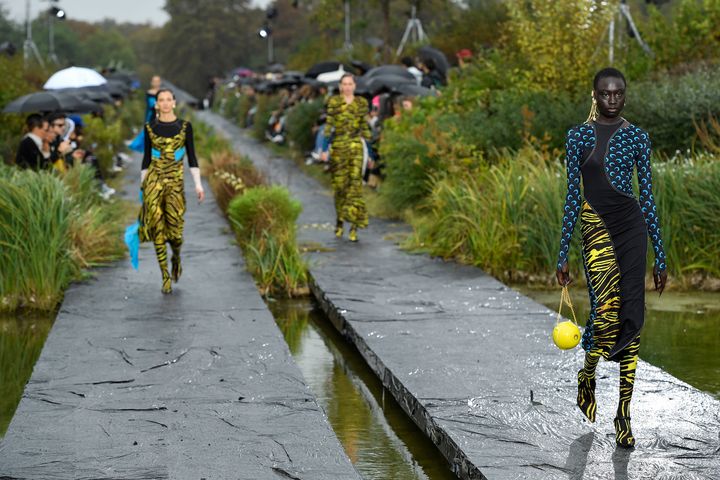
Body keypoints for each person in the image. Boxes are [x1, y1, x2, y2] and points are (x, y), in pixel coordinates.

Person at [555, 67, 667, 448]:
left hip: (631, 225)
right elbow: (572, 195)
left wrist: (661, 257)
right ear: (595, 95)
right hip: (594, 224)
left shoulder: (637, 137)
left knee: (632, 312)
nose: (613, 98)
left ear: (625, 94)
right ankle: (588, 373)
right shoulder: (578, 136)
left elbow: (647, 195)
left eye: (619, 92)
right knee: (605, 309)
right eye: (606, 93)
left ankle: (624, 413)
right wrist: (562, 254)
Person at [139, 88, 205, 294]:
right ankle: (165, 275)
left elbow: (192, 157)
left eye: (169, 99)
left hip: (175, 185)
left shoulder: (185, 127)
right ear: (156, 104)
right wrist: (142, 188)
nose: (166, 103)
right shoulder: (149, 127)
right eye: (161, 100)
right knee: (157, 227)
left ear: (174, 103)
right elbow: (146, 159)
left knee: (175, 234)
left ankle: (176, 256)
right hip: (154, 182)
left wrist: (198, 184)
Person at [320, 73, 371, 242]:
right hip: (339, 147)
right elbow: (328, 126)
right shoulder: (334, 103)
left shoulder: (362, 103)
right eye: (344, 84)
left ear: (354, 86)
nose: (347, 87)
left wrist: (370, 153)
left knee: (355, 185)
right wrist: (324, 148)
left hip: (356, 147)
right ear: (340, 86)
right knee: (340, 187)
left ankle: (354, 226)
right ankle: (340, 220)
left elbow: (365, 127)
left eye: (350, 84)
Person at [129, 75, 162, 153]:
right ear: (151, 82)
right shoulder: (149, 93)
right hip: (151, 116)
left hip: (161, 116)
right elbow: (148, 107)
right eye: (154, 81)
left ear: (160, 82)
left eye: (157, 81)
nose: (156, 83)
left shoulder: (163, 93)